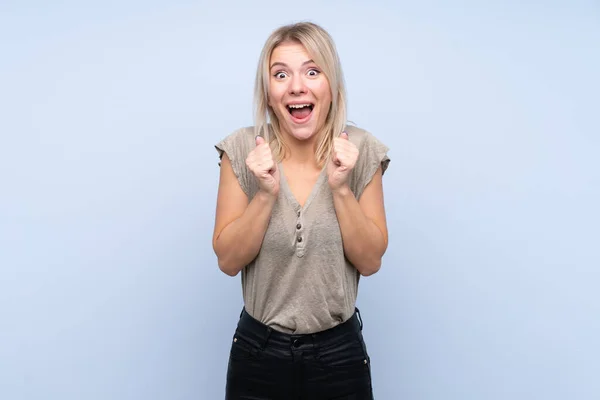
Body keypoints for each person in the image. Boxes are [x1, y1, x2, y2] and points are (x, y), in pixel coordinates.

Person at [213, 21, 390, 399]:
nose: (297, 86)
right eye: (281, 74)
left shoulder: (362, 150)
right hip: (257, 351)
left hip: (339, 355)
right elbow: (228, 261)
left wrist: (341, 189)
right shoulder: (242, 150)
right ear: (268, 91)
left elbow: (370, 261)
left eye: (312, 71)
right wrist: (264, 194)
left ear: (331, 86)